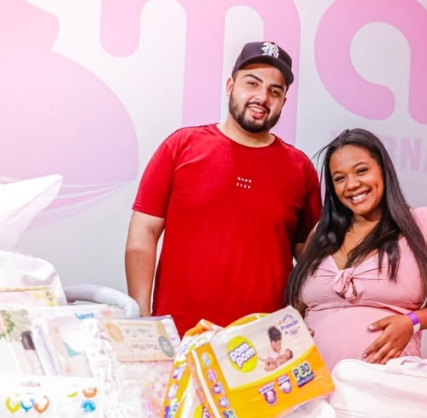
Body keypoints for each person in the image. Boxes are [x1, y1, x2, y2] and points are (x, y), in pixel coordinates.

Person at [125, 41, 322, 336]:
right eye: (252, 83)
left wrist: (295, 323)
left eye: (274, 91)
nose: (262, 97)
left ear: (284, 101)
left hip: (264, 343)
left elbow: (311, 259)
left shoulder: (300, 168)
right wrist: (143, 321)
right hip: (181, 335)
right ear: (230, 86)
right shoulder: (181, 147)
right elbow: (144, 233)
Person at [285, 128, 427, 369]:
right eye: (339, 178)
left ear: (383, 169)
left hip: (386, 383)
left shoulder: (424, 224)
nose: (352, 184)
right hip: (314, 382)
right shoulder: (321, 233)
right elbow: (297, 307)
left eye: (361, 170)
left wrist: (412, 321)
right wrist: (294, 331)